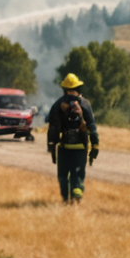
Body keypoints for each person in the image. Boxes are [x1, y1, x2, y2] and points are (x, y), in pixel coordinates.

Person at [46, 73, 100, 204]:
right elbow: (92, 127)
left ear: (64, 89)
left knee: (63, 176)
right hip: (81, 148)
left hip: (64, 148)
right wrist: (95, 145)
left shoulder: (58, 104)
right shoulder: (85, 104)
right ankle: (77, 195)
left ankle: (65, 200)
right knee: (77, 175)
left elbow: (53, 127)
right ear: (78, 88)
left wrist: (51, 146)